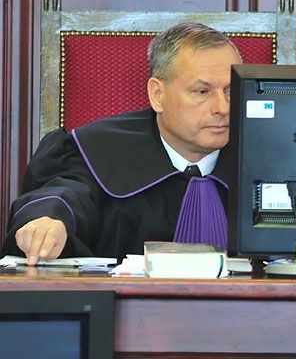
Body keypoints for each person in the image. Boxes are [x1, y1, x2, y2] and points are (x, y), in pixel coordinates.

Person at [2, 22, 243, 265]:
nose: (222, 108)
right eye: (202, 92)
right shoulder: (96, 151)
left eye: (231, 91)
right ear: (157, 95)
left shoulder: (261, 155)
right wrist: (49, 220)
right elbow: (66, 192)